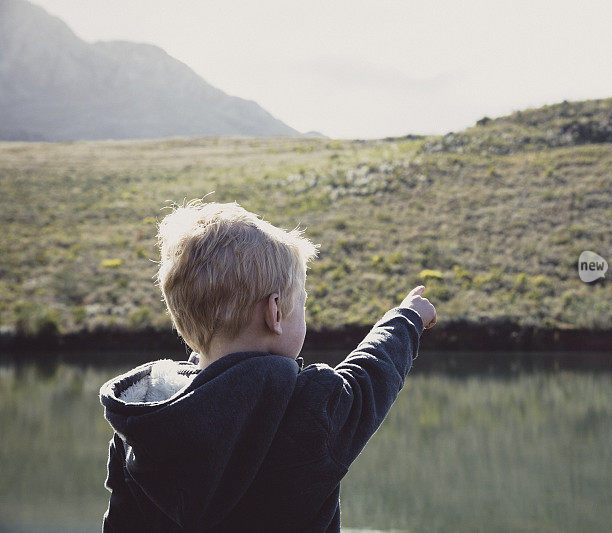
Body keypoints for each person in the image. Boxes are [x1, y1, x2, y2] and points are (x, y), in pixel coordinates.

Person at [98, 199, 437, 532]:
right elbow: (370, 376)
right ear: (275, 313)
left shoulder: (147, 417)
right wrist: (406, 319)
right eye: (301, 305)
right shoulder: (309, 406)